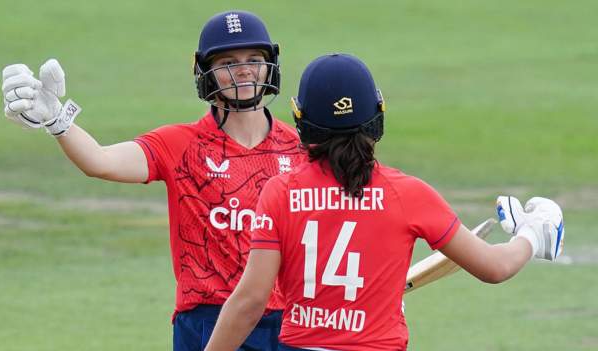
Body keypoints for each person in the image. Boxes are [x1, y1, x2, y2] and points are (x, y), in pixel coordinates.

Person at [203, 53, 565, 351]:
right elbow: (495, 267)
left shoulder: (280, 192)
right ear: (377, 116)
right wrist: (532, 235)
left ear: (303, 122)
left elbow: (250, 302)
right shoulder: (408, 194)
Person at [1, 10, 307, 351]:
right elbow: (99, 161)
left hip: (287, 321)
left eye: (254, 59)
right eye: (228, 62)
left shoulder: (300, 147)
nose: (244, 69)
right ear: (206, 73)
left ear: (271, 65)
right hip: (206, 320)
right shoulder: (180, 144)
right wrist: (57, 120)